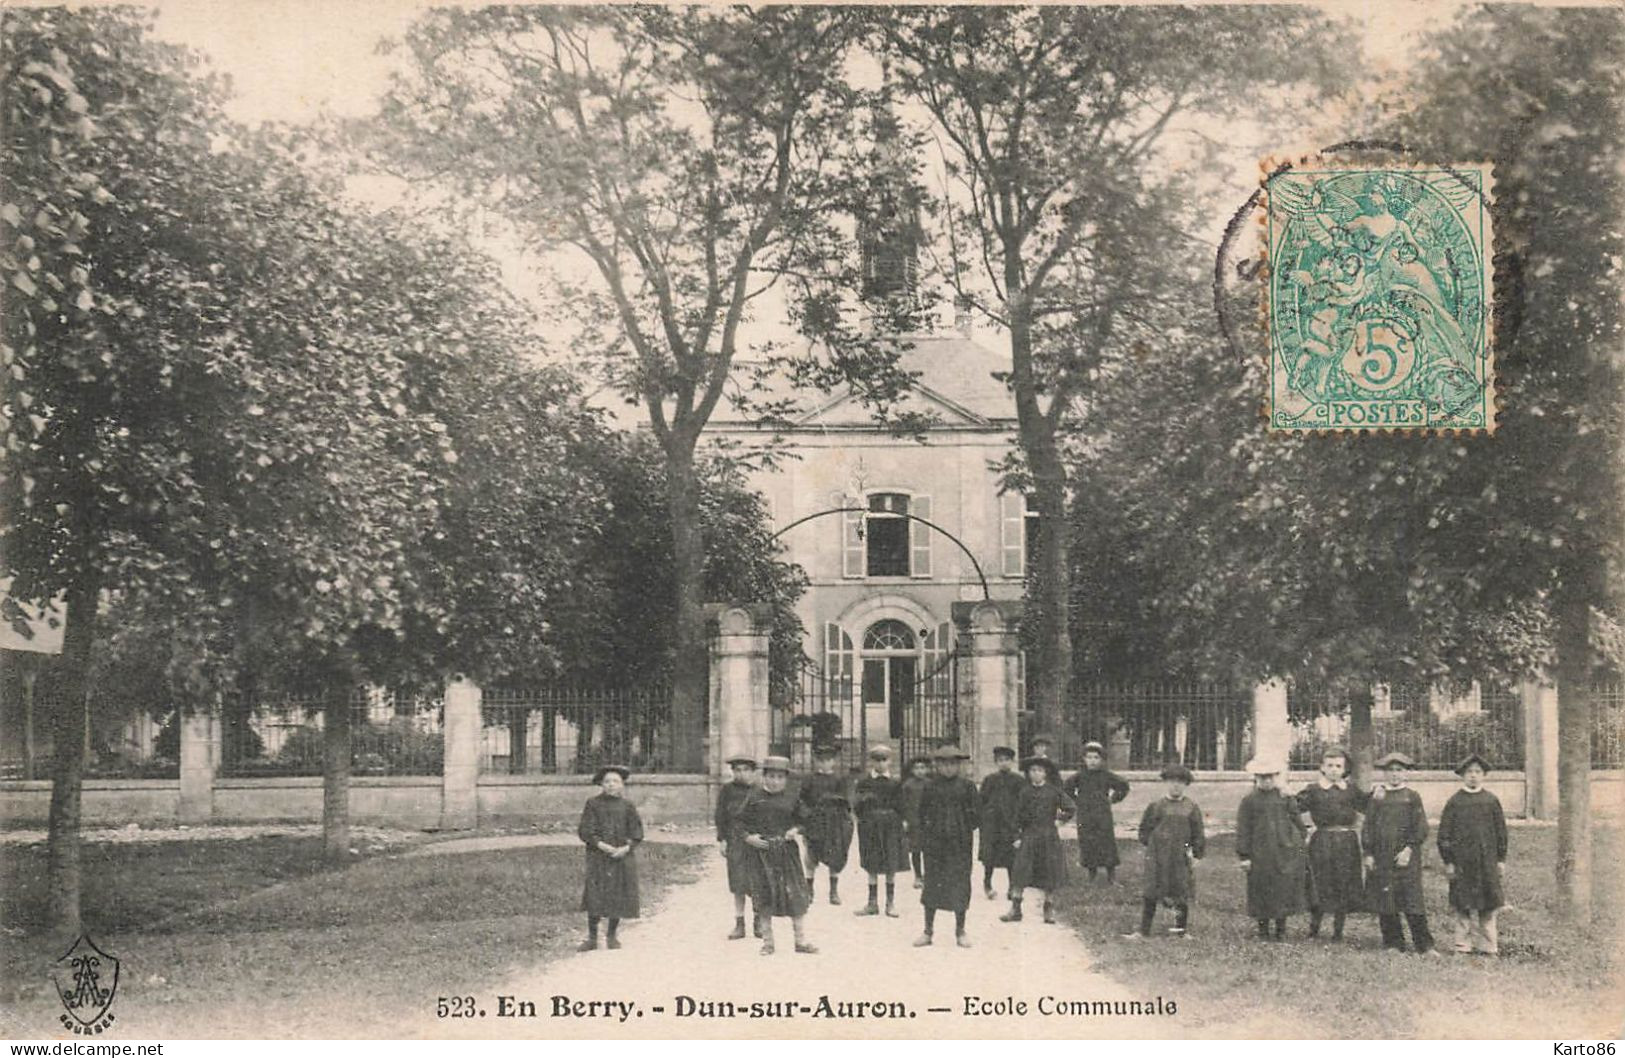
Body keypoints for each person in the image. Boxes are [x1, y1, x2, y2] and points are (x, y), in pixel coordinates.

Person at [739, 756, 817, 955]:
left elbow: (807, 820)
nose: (775, 781)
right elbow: (738, 823)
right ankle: (768, 942)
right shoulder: (754, 797)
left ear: (786, 779)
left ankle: (800, 941)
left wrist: (796, 829)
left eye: (779, 777)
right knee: (764, 896)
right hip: (761, 854)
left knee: (795, 896)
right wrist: (749, 838)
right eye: (771, 776)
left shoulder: (792, 798)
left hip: (786, 853)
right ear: (764, 777)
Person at [1363, 752, 1436, 954]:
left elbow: (1420, 827)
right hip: (1382, 856)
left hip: (1407, 858)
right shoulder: (1378, 797)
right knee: (1387, 900)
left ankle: (1424, 945)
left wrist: (1409, 849)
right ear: (1384, 774)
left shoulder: (1412, 797)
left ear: (1405, 773)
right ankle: (1393, 943)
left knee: (1412, 900)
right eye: (1390, 771)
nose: (1395, 775)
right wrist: (1368, 853)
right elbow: (1368, 826)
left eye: (1399, 770)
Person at [1294, 745, 1369, 940]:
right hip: (1322, 842)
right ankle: (1314, 927)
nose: (1334, 769)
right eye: (1330, 765)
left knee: (1342, 882)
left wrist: (1378, 797)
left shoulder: (1351, 790)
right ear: (1322, 768)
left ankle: (1338, 930)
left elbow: (1368, 806)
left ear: (1344, 769)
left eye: (1338, 766)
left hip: (1346, 842)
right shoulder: (1314, 790)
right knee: (1320, 881)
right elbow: (1293, 808)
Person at [1437, 752, 1508, 955]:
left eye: (1477, 772)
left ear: (1483, 775)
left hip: (1487, 862)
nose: (1473, 776)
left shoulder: (1491, 801)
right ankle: (1462, 945)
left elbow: (1501, 833)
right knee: (1462, 905)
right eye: (1469, 772)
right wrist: (1448, 861)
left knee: (1488, 905)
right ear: (1462, 775)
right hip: (1462, 863)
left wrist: (1500, 859)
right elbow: (1444, 835)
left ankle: (1489, 945)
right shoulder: (1455, 802)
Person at [1126, 763, 1204, 938]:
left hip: (1179, 856)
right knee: (1152, 891)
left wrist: (1197, 853)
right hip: (1158, 856)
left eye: (1180, 782)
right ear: (1166, 783)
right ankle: (1144, 930)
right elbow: (1144, 830)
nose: (1176, 785)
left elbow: (1198, 832)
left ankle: (1181, 931)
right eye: (1172, 781)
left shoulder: (1191, 807)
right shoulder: (1156, 806)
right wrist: (1154, 847)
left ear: (1186, 785)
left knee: (1180, 890)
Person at [913, 745, 980, 948]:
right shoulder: (930, 787)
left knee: (960, 883)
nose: (948, 768)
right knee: (933, 883)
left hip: (959, 844)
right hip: (935, 844)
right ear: (937, 766)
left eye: (953, 764)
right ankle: (928, 931)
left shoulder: (967, 787)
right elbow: (922, 813)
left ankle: (960, 931)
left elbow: (976, 814)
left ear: (959, 766)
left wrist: (962, 825)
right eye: (944, 764)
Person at [1236, 759, 1309, 941]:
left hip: (1283, 850)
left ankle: (1281, 929)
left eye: (1270, 777)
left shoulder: (1284, 797)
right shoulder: (1249, 800)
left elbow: (1297, 821)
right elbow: (1243, 829)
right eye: (1262, 777)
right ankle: (1263, 929)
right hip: (1260, 853)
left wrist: (1297, 840)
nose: (1266, 781)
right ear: (1255, 778)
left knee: (1282, 889)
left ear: (1276, 777)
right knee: (1261, 888)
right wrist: (1244, 855)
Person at [1002, 755, 1076, 925]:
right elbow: (1017, 817)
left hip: (1048, 836)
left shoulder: (1053, 791)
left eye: (1040, 771)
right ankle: (1015, 908)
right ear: (1028, 773)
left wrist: (1060, 819)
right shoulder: (1024, 792)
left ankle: (1048, 909)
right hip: (1029, 836)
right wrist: (1016, 837)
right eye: (1033, 770)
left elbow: (1071, 807)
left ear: (1045, 773)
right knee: (1020, 872)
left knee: (1049, 873)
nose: (1036, 774)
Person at [577, 764, 642, 951]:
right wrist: (602, 846)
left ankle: (612, 935)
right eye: (607, 781)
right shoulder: (592, 804)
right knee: (595, 895)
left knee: (617, 895)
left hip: (621, 856)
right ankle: (592, 937)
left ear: (622, 785)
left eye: (615, 781)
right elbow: (585, 830)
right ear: (601, 784)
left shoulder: (628, 806)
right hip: (598, 856)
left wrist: (626, 847)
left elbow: (637, 831)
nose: (611, 785)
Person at [852, 744, 908, 918]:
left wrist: (901, 821)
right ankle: (872, 903)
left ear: (890, 761)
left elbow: (902, 805)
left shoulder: (896, 783)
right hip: (871, 826)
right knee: (872, 862)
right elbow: (857, 805)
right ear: (871, 761)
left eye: (884, 760)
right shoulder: (864, 782)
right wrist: (864, 817)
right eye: (876, 760)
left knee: (891, 862)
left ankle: (890, 904)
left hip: (890, 825)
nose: (880, 764)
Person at [1064, 740, 1130, 883]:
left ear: (1101, 759)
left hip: (1102, 813)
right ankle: (1091, 875)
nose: (1092, 761)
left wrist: (1113, 799)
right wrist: (1077, 801)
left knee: (1107, 842)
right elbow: (1066, 788)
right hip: (1085, 814)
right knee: (1088, 842)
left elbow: (1123, 785)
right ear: (1084, 759)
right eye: (1089, 757)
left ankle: (1111, 876)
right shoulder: (1080, 776)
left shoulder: (1106, 775)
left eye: (1096, 758)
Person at [799, 745, 854, 905]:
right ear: (816, 761)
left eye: (828, 760)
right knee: (811, 855)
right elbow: (802, 799)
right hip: (814, 821)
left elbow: (845, 801)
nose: (824, 764)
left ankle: (833, 891)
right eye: (821, 760)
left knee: (835, 854)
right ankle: (809, 891)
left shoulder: (839, 780)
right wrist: (806, 815)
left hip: (833, 822)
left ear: (834, 761)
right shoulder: (809, 779)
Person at [715, 754, 760, 940]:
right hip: (735, 840)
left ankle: (759, 922)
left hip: (757, 841)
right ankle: (739, 924)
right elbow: (720, 816)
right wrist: (722, 840)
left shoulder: (759, 790)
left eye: (745, 770)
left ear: (752, 772)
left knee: (758, 882)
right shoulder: (727, 790)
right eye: (737, 770)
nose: (741, 774)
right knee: (738, 883)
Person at [977, 746, 1023, 900]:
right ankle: (987, 883)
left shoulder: (1018, 780)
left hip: (1009, 823)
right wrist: (983, 818)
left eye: (1006, 760)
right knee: (989, 856)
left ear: (1012, 761)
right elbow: (981, 801)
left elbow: (1022, 802)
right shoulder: (989, 780)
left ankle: (1011, 886)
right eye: (1000, 761)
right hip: (992, 824)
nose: (1003, 763)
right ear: (996, 762)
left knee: (1011, 855)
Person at [901, 756, 934, 889]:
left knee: (929, 850)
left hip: (928, 821)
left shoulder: (931, 784)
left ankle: (928, 875)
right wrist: (904, 820)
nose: (920, 771)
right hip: (913, 820)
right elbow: (903, 803)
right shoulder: (908, 785)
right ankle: (918, 876)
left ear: (926, 770)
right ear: (912, 770)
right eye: (917, 768)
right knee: (915, 850)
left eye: (922, 768)